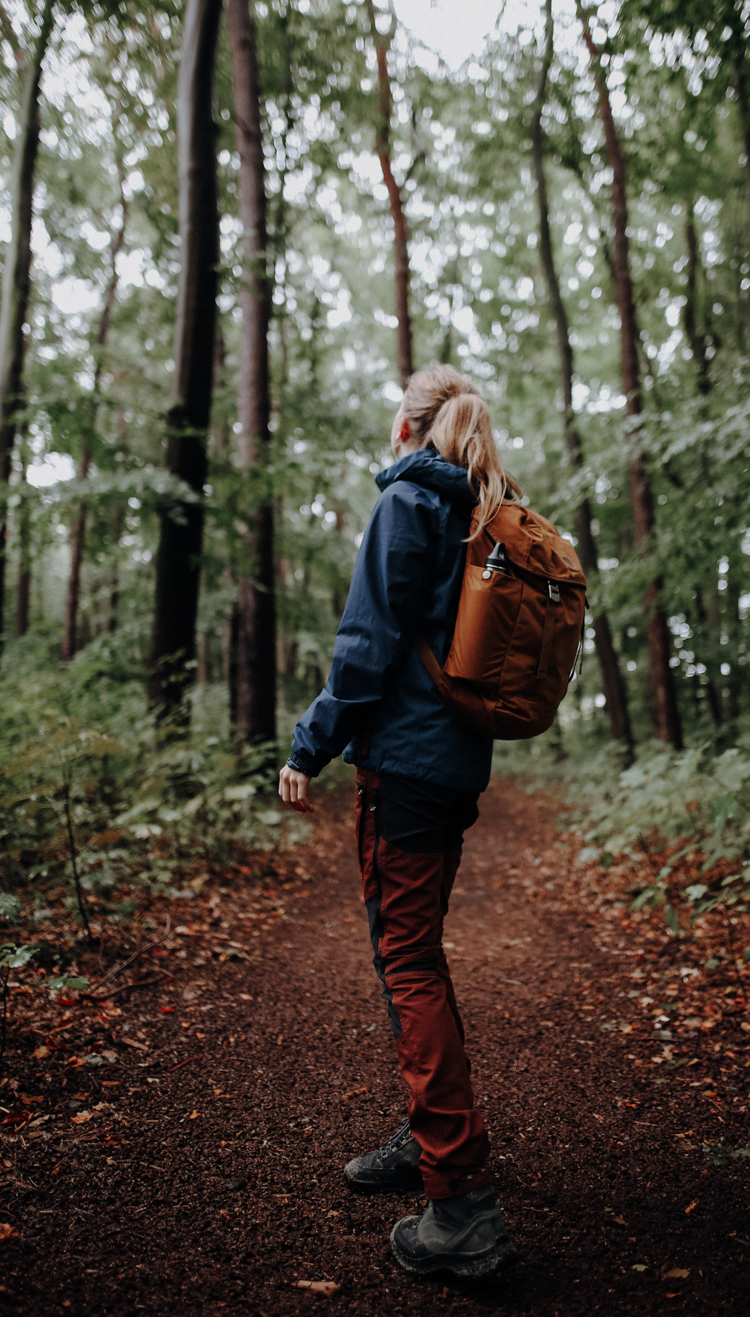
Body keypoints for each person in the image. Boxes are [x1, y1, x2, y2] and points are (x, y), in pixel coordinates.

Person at [278, 365, 519, 1280]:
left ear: (406, 424)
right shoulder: (485, 510)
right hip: (456, 764)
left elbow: (365, 646)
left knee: (407, 961)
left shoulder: (409, 503)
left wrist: (310, 746)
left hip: (408, 767)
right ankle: (432, 1140)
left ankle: (461, 1206)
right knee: (416, 952)